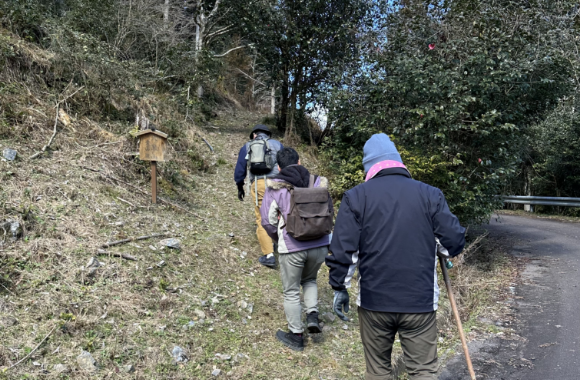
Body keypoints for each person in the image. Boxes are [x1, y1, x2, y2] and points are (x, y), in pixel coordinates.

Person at [325, 134, 466, 380]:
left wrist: (339, 287)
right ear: (398, 161)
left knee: (378, 372)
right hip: (419, 302)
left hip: (374, 303)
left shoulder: (356, 197)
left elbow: (344, 252)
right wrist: (440, 247)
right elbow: (453, 243)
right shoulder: (430, 194)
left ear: (369, 167)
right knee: (423, 372)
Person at [260, 147, 331, 351]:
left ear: (279, 166)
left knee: (291, 290)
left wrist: (278, 237)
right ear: (300, 162)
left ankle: (296, 335)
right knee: (310, 279)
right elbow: (329, 211)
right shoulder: (318, 182)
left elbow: (267, 220)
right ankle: (312, 316)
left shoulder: (275, 186)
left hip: (292, 247)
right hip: (319, 244)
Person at [234, 124, 283, 268]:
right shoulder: (277, 144)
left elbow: (240, 170)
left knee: (262, 217)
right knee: (279, 214)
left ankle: (269, 255)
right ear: (268, 135)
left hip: (259, 183)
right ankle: (282, 245)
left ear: (254, 134)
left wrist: (240, 186)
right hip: (279, 184)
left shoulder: (248, 145)